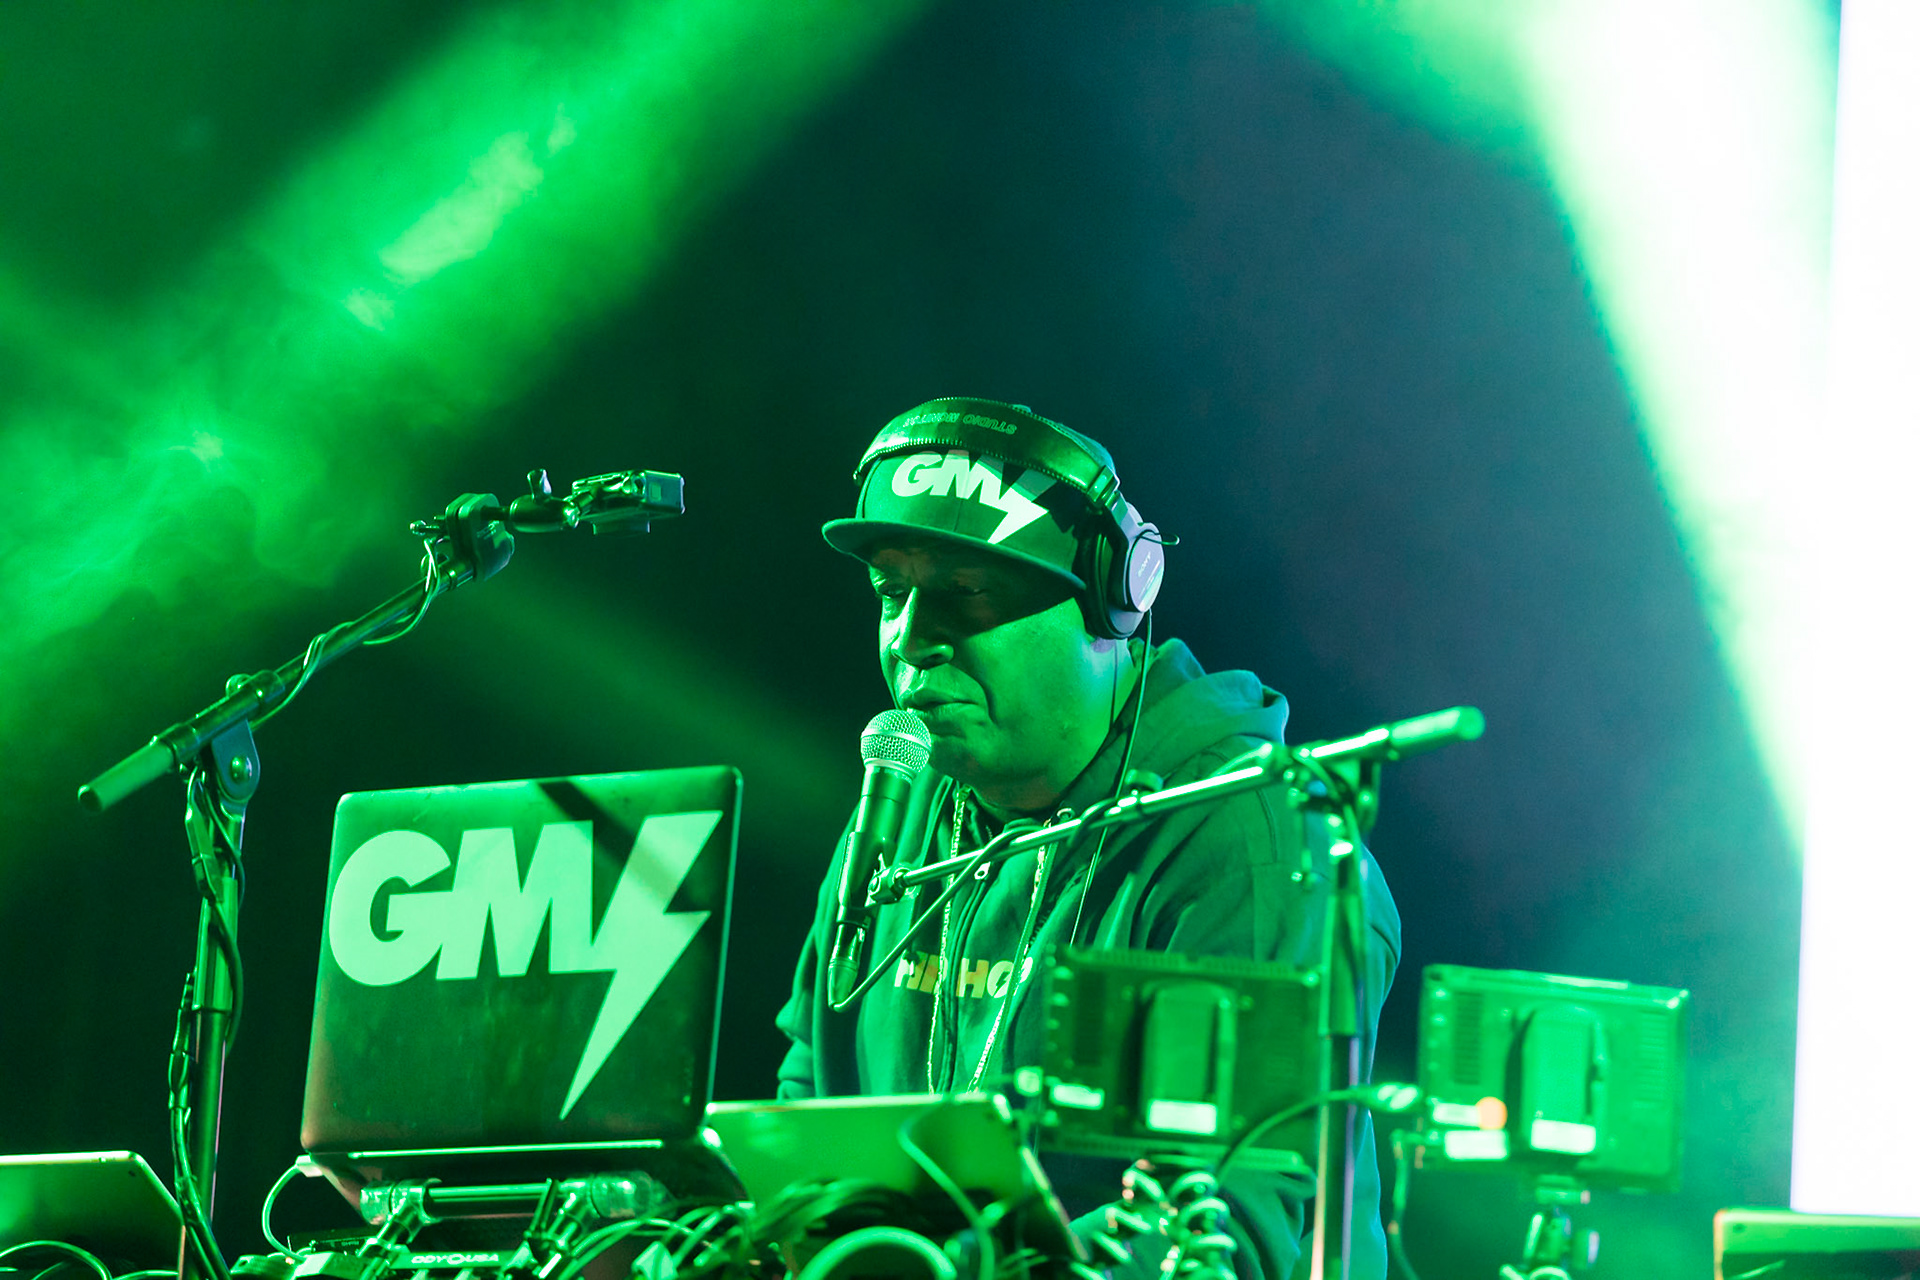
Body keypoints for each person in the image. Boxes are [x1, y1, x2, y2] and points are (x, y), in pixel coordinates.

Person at [775, 397, 1402, 1280]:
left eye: (964, 595)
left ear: (1113, 607)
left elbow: (1220, 1229)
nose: (912, 640)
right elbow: (812, 1093)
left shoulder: (1248, 839)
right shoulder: (905, 801)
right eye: (891, 592)